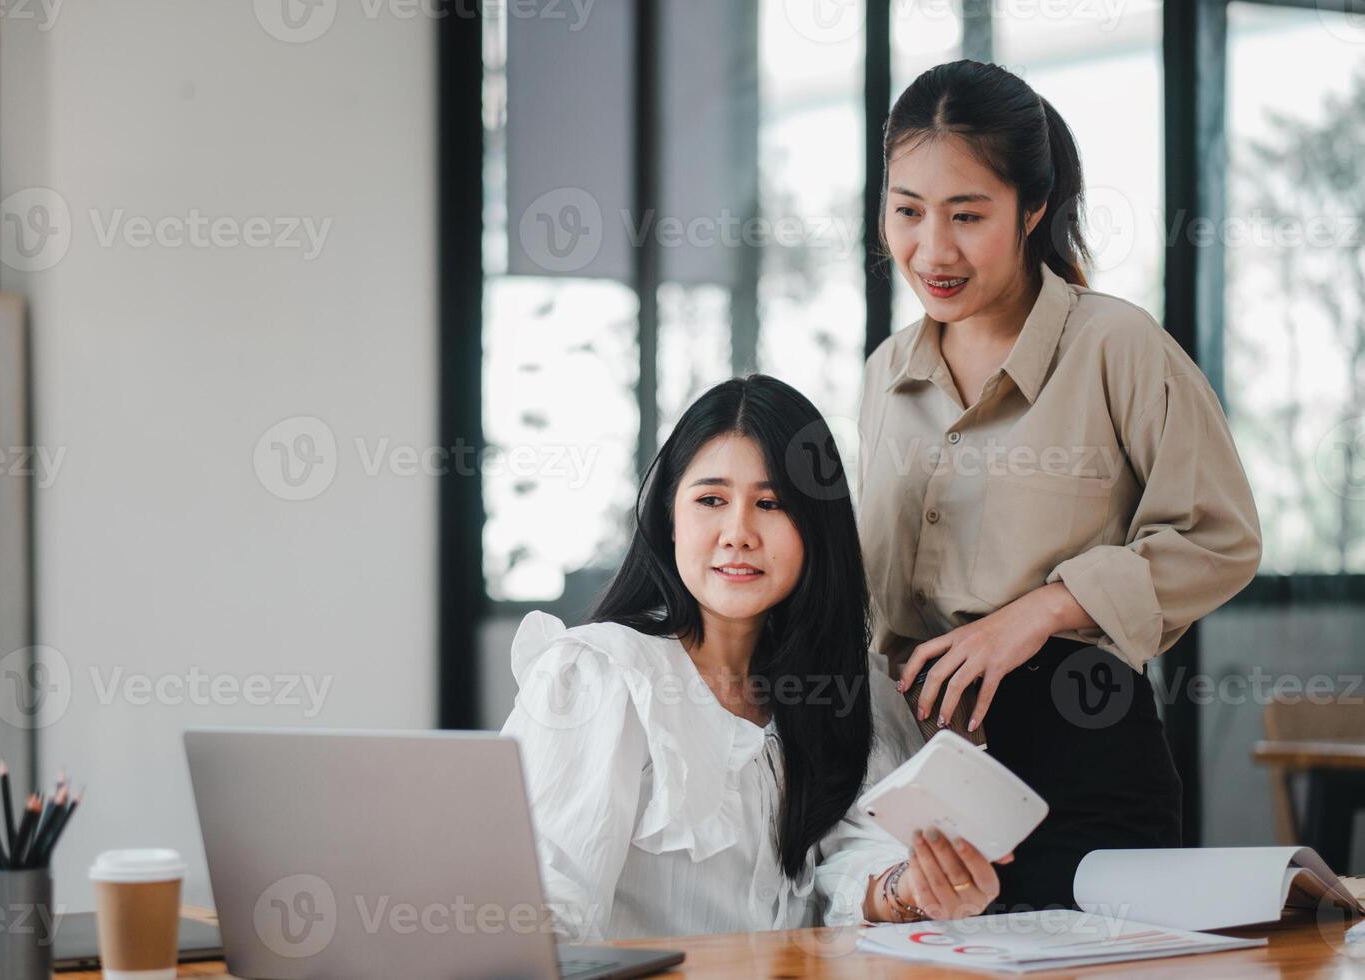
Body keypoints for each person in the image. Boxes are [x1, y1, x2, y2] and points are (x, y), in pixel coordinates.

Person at [858, 60, 1263, 910]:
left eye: (968, 216)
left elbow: (1220, 538)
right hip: (926, 779)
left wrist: (1039, 610)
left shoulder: (1116, 346)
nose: (932, 250)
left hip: (1084, 755)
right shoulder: (886, 374)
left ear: (1034, 209)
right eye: (907, 212)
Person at [502, 375, 1010, 941]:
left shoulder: (849, 689)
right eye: (711, 500)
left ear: (816, 528)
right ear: (670, 516)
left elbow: (854, 863)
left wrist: (912, 890)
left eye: (771, 504)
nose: (738, 533)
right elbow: (546, 905)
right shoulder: (599, 675)